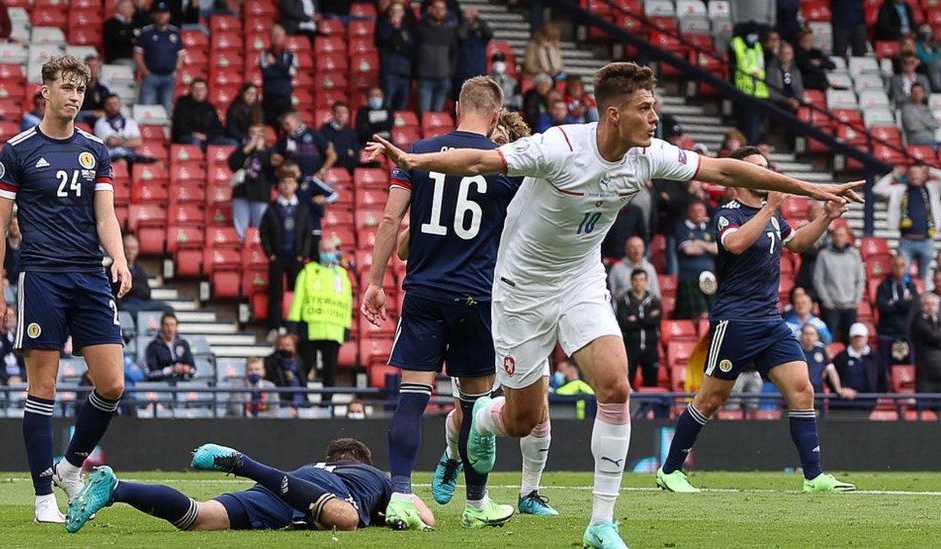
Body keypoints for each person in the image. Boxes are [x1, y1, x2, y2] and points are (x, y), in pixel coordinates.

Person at [365, 62, 862, 547]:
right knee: (520, 419)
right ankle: (480, 419)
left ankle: (601, 524)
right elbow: (478, 161)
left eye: (655, 107)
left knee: (616, 387)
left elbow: (722, 168)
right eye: (646, 108)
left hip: (581, 281)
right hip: (520, 289)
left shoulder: (647, 154)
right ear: (613, 116)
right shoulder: (560, 146)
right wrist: (415, 162)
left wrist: (810, 188)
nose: (654, 117)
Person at [361, 76, 525, 532]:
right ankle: (476, 504)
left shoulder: (419, 151)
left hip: (424, 295)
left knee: (412, 399)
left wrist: (375, 283)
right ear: (496, 116)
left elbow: (393, 219)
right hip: (478, 297)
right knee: (475, 408)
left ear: (456, 107)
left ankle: (398, 498)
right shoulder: (502, 166)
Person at [656, 145, 854, 494]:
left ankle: (814, 477)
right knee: (711, 399)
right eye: (757, 169)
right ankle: (670, 470)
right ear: (740, 176)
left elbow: (798, 244)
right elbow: (734, 245)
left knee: (803, 390)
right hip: (735, 320)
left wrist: (827, 217)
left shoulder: (772, 214)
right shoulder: (727, 213)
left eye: (767, 167)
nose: (765, 174)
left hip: (770, 321)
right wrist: (771, 208)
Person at [0, 55, 131, 523]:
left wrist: (121, 258)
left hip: (90, 275)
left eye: (80, 90)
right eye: (65, 87)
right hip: (42, 277)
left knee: (112, 383)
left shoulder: (96, 150)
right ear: (44, 91)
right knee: (42, 387)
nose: (73, 96)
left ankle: (69, 467)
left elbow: (105, 215)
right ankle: (42, 497)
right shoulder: (17, 151)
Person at [65, 438, 433, 534]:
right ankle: (246, 464)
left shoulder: (316, 464)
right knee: (346, 518)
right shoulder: (375, 477)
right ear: (360, 460)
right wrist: (392, 508)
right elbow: (426, 518)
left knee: (201, 517)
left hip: (290, 487)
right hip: (318, 492)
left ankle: (117, 489)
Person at [288, 238, 352, 401]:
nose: (327, 253)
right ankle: (302, 399)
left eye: (330, 250)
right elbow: (298, 299)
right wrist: (293, 325)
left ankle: (326, 403)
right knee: (305, 365)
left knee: (330, 369)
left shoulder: (342, 275)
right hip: (310, 327)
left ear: (335, 252)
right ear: (318, 251)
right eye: (324, 250)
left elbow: (347, 302)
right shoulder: (307, 271)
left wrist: (347, 327)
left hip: (334, 328)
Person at [259, 165, 312, 333]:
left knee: (296, 293)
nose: (287, 186)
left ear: (295, 185)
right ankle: (274, 327)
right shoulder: (272, 208)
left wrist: (303, 254)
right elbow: (264, 233)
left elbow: (307, 234)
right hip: (278, 257)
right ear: (279, 186)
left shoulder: (303, 208)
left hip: (296, 258)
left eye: (290, 182)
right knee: (275, 293)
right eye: (284, 183)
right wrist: (270, 254)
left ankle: (293, 328)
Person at [872, 164, 941, 281]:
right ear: (907, 176)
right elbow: (876, 189)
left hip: (927, 241)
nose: (915, 176)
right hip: (906, 242)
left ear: (924, 175)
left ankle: (920, 299)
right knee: (904, 278)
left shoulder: (932, 188)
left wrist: (932, 171)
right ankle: (907, 298)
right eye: (912, 173)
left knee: (923, 279)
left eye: (918, 173)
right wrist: (894, 175)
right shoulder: (900, 189)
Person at [228, 124, 281, 239]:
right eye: (252, 133)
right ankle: (242, 252)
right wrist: (246, 149)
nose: (255, 137)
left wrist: (260, 151)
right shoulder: (242, 148)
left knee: (261, 227)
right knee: (240, 228)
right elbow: (233, 164)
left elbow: (270, 169)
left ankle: (259, 251)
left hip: (260, 193)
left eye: (259, 134)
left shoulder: (270, 151)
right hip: (241, 192)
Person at [813, 224, 865, 342]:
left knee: (850, 341)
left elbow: (861, 279)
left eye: (841, 235)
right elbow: (818, 280)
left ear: (847, 237)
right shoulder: (823, 255)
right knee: (828, 340)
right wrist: (827, 301)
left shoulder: (855, 254)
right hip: (832, 307)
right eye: (836, 235)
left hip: (850, 306)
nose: (838, 238)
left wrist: (856, 301)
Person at [134, 1, 185, 115]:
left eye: (164, 12)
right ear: (153, 15)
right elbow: (137, 54)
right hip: (151, 75)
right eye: (158, 13)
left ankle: (165, 132)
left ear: (169, 15)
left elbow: (181, 54)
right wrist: (145, 72)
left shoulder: (175, 32)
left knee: (167, 108)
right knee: (145, 107)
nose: (162, 15)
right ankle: (144, 131)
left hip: (169, 76)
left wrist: (176, 71)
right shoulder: (147, 31)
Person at [616, 269, 662, 388]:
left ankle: (650, 407)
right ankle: (628, 407)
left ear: (646, 281)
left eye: (641, 280)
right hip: (631, 347)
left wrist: (636, 319)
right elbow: (624, 323)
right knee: (627, 383)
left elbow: (656, 321)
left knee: (651, 383)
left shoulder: (654, 300)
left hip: (650, 347)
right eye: (636, 280)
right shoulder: (623, 301)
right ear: (631, 281)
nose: (638, 283)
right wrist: (647, 319)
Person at [673, 201, 717, 320]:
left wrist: (698, 243)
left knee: (712, 314)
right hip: (689, 278)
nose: (698, 214)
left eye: (700, 211)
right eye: (694, 211)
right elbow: (689, 250)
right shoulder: (682, 227)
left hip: (709, 279)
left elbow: (718, 249)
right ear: (689, 213)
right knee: (696, 316)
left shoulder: (709, 228)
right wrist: (708, 247)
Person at [415, 0, 458, 115]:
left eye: (442, 9)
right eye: (437, 8)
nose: (440, 12)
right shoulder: (420, 28)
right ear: (430, 9)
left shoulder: (449, 31)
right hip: (425, 78)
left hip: (443, 77)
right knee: (424, 115)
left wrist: (449, 72)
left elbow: (454, 53)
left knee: (438, 116)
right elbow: (414, 52)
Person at [830, 323, 886, 408]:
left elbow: (882, 380)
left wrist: (876, 397)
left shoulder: (875, 357)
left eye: (861, 337)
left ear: (867, 338)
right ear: (850, 338)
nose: (858, 339)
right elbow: (831, 379)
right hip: (844, 405)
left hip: (870, 404)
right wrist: (841, 390)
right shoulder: (840, 358)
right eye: (855, 337)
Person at [876, 255, 918, 367]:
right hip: (888, 332)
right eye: (896, 265)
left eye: (902, 265)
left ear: (906, 268)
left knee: (907, 367)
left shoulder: (911, 286)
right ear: (891, 267)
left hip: (906, 333)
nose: (899, 268)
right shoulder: (883, 285)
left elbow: (914, 306)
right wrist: (904, 303)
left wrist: (894, 303)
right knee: (886, 367)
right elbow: (883, 307)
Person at [730, 23, 769, 144]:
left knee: (757, 124)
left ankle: (754, 144)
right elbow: (740, 63)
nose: (754, 37)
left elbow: (761, 66)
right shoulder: (737, 43)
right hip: (744, 88)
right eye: (753, 34)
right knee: (748, 124)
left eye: (756, 34)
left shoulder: (757, 46)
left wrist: (759, 74)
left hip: (760, 90)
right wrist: (751, 72)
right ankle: (750, 146)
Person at [113, 233, 170, 314]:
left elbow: (147, 292)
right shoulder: (113, 267)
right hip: (124, 304)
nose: (130, 251)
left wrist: (131, 287)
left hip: (142, 303)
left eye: (133, 248)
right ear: (122, 249)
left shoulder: (140, 268)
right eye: (127, 248)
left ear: (137, 250)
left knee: (167, 308)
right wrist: (136, 288)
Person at [375, 1, 416, 111]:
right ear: (389, 12)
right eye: (394, 10)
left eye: (399, 11)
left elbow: (409, 46)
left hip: (405, 73)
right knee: (386, 104)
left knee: (401, 107)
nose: (396, 13)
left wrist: (399, 29)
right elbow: (383, 40)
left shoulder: (407, 30)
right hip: (389, 72)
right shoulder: (383, 26)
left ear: (403, 13)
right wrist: (393, 27)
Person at [171, 79, 236, 149]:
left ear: (206, 91)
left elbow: (218, 128)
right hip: (189, 137)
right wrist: (194, 134)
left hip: (207, 138)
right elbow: (179, 127)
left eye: (202, 89)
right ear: (191, 91)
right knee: (195, 141)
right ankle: (197, 159)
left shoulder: (209, 107)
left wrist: (207, 136)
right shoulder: (182, 105)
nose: (199, 92)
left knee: (231, 143)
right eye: (196, 89)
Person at [799, 323, 856, 403]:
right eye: (806, 334)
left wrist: (838, 388)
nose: (809, 337)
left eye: (811, 334)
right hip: (799, 396)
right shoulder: (796, 351)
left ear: (816, 337)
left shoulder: (821, 350)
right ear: (801, 335)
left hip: (818, 396)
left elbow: (831, 370)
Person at [277, 109, 337, 179]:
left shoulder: (314, 134)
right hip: (295, 181)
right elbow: (278, 158)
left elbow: (332, 155)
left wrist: (321, 172)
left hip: (314, 180)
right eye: (283, 124)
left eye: (287, 124)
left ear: (296, 120)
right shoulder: (284, 139)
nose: (284, 127)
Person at [260, 24, 297, 129]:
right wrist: (283, 70)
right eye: (274, 34)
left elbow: (292, 73)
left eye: (279, 35)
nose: (276, 37)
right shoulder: (264, 54)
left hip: (285, 98)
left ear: (284, 37)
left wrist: (275, 63)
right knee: (268, 127)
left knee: (286, 127)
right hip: (269, 98)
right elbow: (267, 73)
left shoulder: (291, 55)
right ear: (270, 37)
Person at [453, 7, 492, 99]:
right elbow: (461, 35)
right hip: (462, 72)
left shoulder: (481, 32)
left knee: (477, 100)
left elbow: (489, 33)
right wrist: (466, 20)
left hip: (479, 71)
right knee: (462, 99)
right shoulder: (459, 27)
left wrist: (477, 18)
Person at [144, 312, 195, 381]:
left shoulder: (183, 343)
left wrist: (186, 368)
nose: (170, 329)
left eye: (172, 325)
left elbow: (193, 369)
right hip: (162, 385)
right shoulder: (153, 346)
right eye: (166, 325)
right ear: (161, 326)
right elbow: (150, 373)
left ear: (177, 327)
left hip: (182, 383)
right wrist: (171, 370)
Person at [607, 235, 660, 301]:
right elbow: (611, 294)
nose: (636, 250)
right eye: (633, 247)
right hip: (623, 308)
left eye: (639, 247)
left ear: (644, 249)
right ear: (626, 249)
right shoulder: (617, 268)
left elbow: (656, 294)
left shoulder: (650, 268)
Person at [94, 94, 143, 163]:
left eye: (115, 103)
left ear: (120, 104)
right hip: (111, 155)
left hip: (131, 155)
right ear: (105, 106)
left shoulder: (130, 121)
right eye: (109, 104)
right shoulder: (101, 123)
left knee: (157, 164)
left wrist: (119, 140)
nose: (113, 106)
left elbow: (138, 141)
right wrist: (129, 140)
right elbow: (111, 141)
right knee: (122, 162)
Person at [793, 201, 828, 298]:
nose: (814, 214)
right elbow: (806, 251)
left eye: (817, 211)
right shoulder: (802, 229)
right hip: (807, 275)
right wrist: (822, 250)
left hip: (825, 277)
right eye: (812, 211)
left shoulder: (829, 232)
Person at [262, 332, 306, 408]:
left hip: (301, 403)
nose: (285, 348)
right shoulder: (269, 362)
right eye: (282, 345)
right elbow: (271, 391)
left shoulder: (299, 363)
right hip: (280, 405)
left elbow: (303, 387)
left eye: (288, 345)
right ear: (277, 347)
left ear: (294, 348)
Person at [910, 292, 941, 396]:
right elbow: (933, 337)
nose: (930, 307)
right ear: (922, 305)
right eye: (927, 304)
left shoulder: (938, 320)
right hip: (925, 373)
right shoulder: (918, 321)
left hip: (939, 371)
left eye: (933, 304)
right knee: (924, 407)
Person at [320, 101, 361, 172]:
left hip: (350, 163)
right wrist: (346, 152)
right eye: (338, 112)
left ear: (348, 115)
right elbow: (327, 151)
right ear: (333, 113)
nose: (341, 115)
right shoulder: (325, 130)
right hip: (334, 163)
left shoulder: (351, 132)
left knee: (374, 164)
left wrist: (344, 151)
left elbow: (356, 152)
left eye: (344, 112)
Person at [766, 42, 804, 112]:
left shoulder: (795, 70)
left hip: (794, 102)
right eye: (783, 53)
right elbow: (771, 91)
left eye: (788, 53)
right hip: (779, 102)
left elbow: (800, 89)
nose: (785, 56)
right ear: (779, 55)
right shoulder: (772, 68)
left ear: (792, 55)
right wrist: (786, 100)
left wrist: (797, 100)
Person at [795, 27, 835, 91]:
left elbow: (832, 65)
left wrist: (820, 62)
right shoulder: (796, 53)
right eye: (806, 39)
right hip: (805, 83)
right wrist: (821, 69)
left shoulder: (816, 52)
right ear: (800, 41)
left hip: (819, 82)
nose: (809, 41)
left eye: (811, 39)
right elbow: (805, 66)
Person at [901, 84, 940, 149]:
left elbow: (936, 124)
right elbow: (911, 126)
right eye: (915, 92)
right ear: (911, 94)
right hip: (916, 141)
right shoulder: (906, 108)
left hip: (932, 140)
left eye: (920, 91)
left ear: (923, 93)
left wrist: (920, 120)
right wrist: (928, 123)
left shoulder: (926, 108)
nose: (918, 94)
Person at [77, 56, 112, 128]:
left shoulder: (103, 90)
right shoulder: (77, 87)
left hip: (99, 122)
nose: (92, 70)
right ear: (84, 69)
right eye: (90, 66)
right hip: (80, 120)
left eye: (95, 66)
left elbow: (108, 109)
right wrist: (93, 113)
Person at [103, 0, 140, 65]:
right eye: (130, 8)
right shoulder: (110, 24)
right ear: (121, 8)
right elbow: (119, 41)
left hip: (134, 59)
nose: (133, 11)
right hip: (118, 59)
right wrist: (132, 38)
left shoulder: (134, 24)